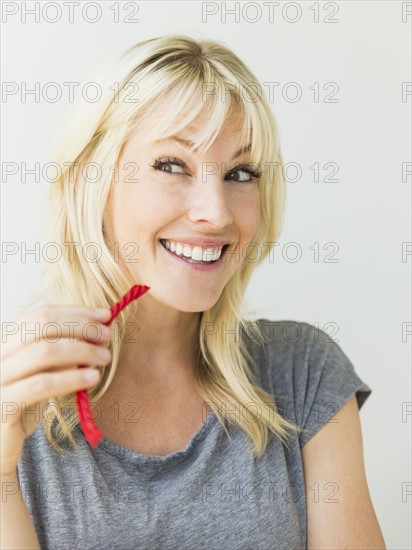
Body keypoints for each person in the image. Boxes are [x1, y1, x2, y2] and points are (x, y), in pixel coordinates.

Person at [1, 34, 386, 549]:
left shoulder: (304, 376)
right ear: (91, 182)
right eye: (171, 165)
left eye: (240, 173)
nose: (218, 212)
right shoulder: (16, 394)